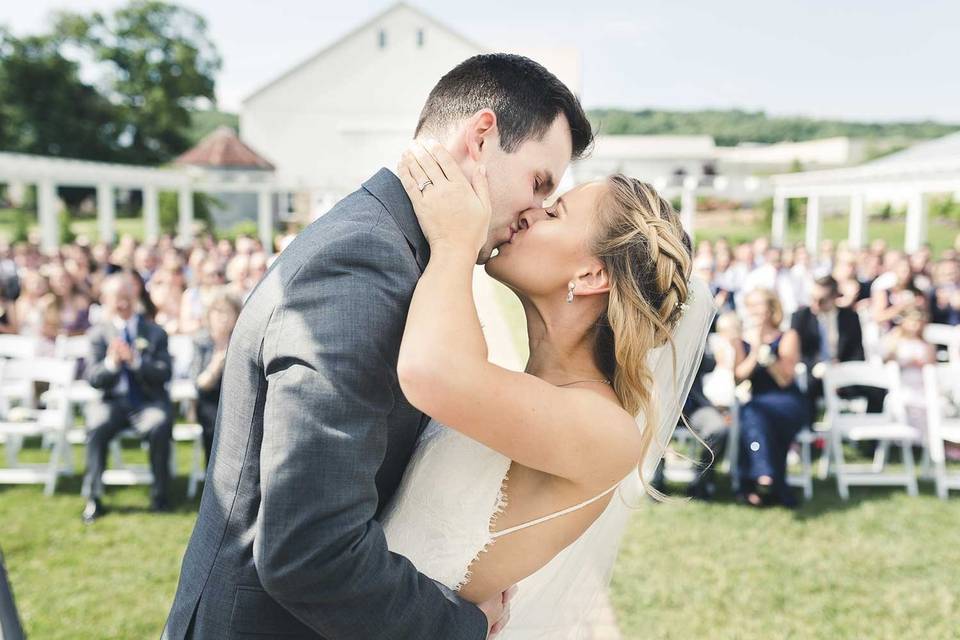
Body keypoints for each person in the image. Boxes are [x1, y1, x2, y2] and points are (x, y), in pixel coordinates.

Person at [164, 53, 594, 640]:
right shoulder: (364, 266)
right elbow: (308, 550)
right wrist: (461, 625)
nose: (536, 212)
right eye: (539, 182)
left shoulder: (396, 250)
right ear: (482, 136)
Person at [390, 146, 712, 636]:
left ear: (590, 276)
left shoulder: (607, 430)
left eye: (555, 211)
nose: (530, 212)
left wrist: (454, 240)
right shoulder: (517, 386)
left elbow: (428, 371)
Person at [81, 273, 174, 523]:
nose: (122, 304)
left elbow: (165, 373)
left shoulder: (154, 332)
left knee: (159, 423)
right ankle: (93, 497)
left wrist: (136, 362)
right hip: (112, 402)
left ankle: (161, 494)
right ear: (106, 301)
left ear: (134, 297)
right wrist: (112, 363)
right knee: (96, 424)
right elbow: (93, 377)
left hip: (146, 402)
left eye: (126, 297)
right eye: (116, 299)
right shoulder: (98, 334)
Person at [733, 288, 809, 508]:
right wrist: (756, 349)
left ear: (771, 307)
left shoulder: (788, 336)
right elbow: (739, 378)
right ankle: (769, 479)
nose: (754, 310)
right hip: (759, 401)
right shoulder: (741, 340)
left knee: (752, 414)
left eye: (759, 304)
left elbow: (784, 379)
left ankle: (758, 475)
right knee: (754, 413)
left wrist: (769, 358)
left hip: (786, 400)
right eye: (751, 305)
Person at [190, 293, 241, 465]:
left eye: (229, 312)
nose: (223, 318)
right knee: (212, 419)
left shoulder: (242, 340)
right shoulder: (201, 341)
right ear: (209, 315)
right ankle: (212, 475)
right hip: (210, 399)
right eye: (218, 312)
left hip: (237, 399)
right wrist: (216, 364)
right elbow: (199, 384)